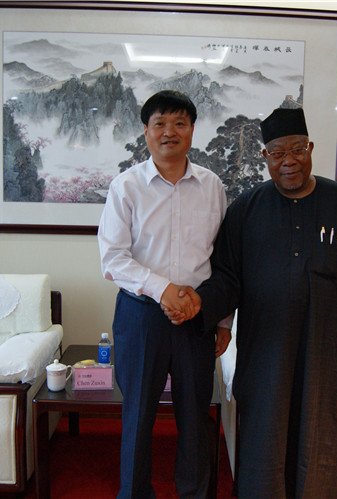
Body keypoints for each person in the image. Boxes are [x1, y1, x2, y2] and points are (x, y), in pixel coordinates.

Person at [165, 108, 337, 498]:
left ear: (310, 149)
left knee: (325, 435)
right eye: (278, 153)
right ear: (265, 156)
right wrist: (199, 302)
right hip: (266, 352)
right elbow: (228, 277)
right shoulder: (245, 210)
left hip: (327, 351)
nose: (289, 161)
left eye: (297, 150)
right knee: (265, 436)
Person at [98, 90, 231, 499]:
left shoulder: (212, 186)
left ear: (192, 130)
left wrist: (222, 319)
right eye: (160, 123)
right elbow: (113, 258)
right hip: (141, 316)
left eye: (179, 123)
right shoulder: (126, 186)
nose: (169, 132)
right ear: (146, 131)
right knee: (138, 413)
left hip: (197, 316)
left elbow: (222, 258)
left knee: (195, 415)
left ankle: (195, 493)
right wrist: (163, 290)